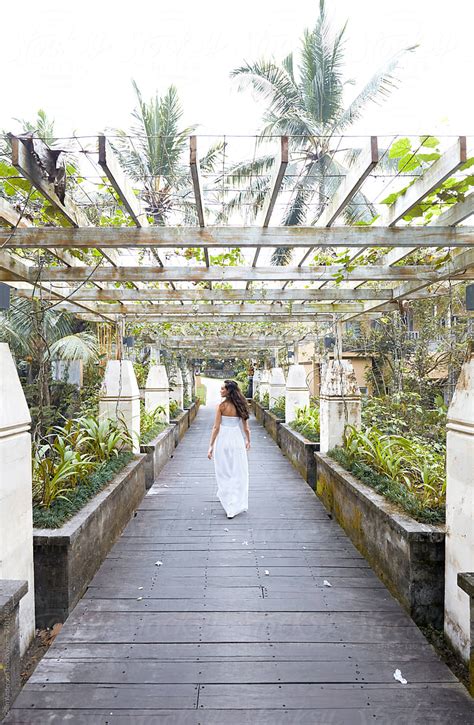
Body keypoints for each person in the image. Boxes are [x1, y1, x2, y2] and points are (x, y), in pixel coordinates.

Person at [207, 379, 251, 519]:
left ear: (228, 391)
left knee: (223, 472)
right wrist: (248, 440)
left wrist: (211, 446)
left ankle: (229, 505)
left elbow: (216, 427)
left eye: (222, 389)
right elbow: (246, 428)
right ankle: (234, 504)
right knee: (238, 472)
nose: (220, 391)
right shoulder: (241, 406)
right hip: (236, 440)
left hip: (223, 440)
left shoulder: (221, 406)